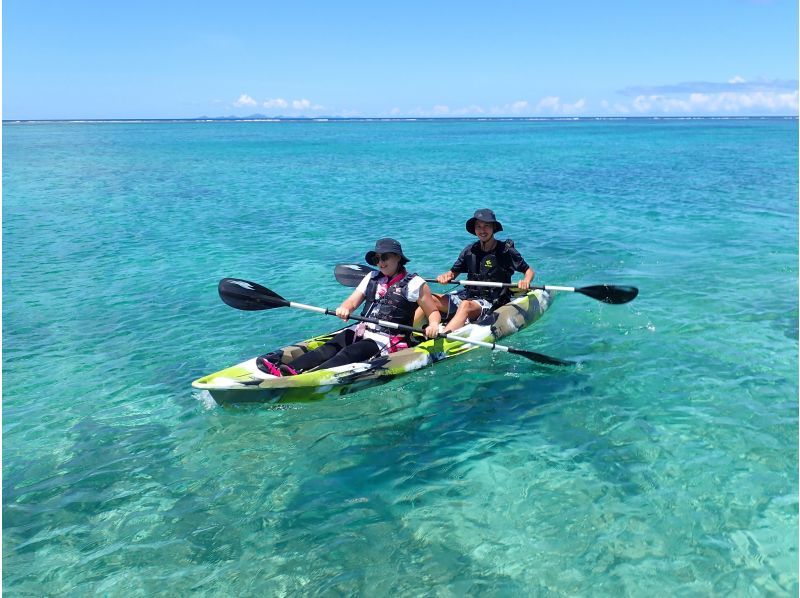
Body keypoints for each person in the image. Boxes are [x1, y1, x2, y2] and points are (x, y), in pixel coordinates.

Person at [261, 238, 441, 376]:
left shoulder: (416, 284)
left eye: (384, 257)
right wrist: (345, 308)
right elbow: (352, 301)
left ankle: (307, 377)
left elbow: (432, 311)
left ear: (398, 257)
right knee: (330, 347)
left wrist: (433, 325)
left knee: (349, 353)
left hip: (387, 339)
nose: (381, 262)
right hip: (361, 329)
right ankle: (290, 369)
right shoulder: (371, 277)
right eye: (377, 258)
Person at [424, 208, 535, 334]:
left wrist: (526, 281)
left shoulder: (505, 251)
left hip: (491, 301)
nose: (482, 230)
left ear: (493, 228)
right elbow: (453, 273)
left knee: (465, 305)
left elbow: (529, 271)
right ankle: (410, 336)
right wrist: (446, 276)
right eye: (478, 226)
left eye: (486, 226)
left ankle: (444, 338)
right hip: (468, 296)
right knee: (430, 299)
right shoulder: (470, 250)